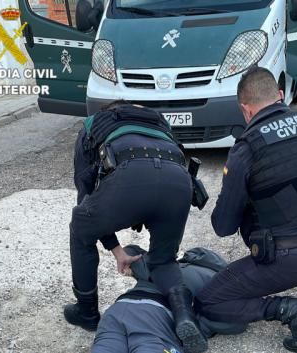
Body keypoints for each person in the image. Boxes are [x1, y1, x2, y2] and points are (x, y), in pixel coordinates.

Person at [194, 67, 297, 352]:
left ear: (245, 110)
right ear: (280, 96)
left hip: (288, 263)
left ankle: (289, 310)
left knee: (209, 301)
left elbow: (223, 226)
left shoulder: (247, 147)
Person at [64, 101, 207, 353]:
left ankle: (86, 311)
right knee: (164, 260)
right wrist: (118, 250)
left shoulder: (93, 124)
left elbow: (86, 197)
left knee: (80, 227)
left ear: (110, 110)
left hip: (130, 178)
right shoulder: (160, 123)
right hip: (178, 182)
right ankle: (184, 316)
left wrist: (115, 247)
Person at [92, 246, 247, 353]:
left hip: (118, 310)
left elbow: (131, 251)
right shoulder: (218, 281)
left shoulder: (163, 266)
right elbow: (236, 323)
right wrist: (196, 327)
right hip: (154, 318)